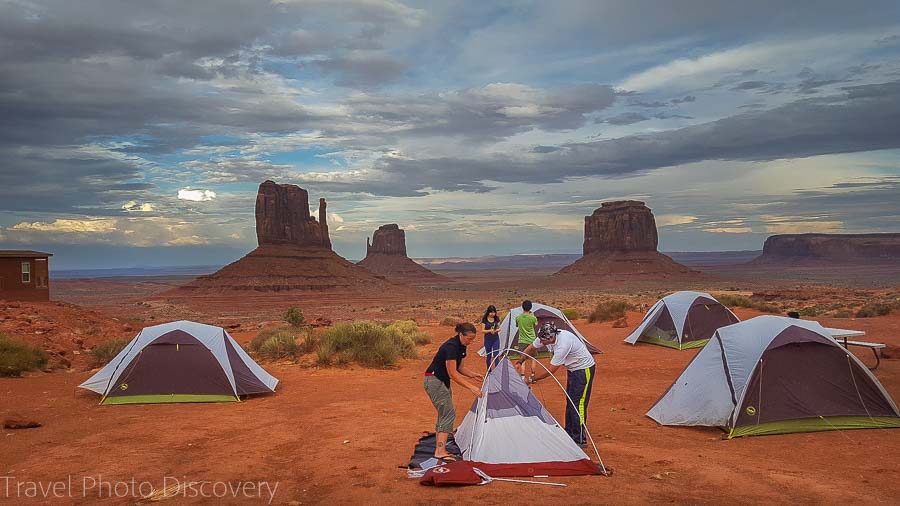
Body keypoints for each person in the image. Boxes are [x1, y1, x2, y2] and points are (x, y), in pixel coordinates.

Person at [517, 322, 596, 446]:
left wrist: (531, 379)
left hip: (583, 370)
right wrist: (521, 360)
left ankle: (580, 438)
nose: (541, 343)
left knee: (578, 403)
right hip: (572, 369)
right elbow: (531, 347)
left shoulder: (562, 345)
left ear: (551, 338)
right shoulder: (544, 336)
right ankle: (570, 432)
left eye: (543, 341)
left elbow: (550, 370)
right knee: (570, 400)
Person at [424, 322, 483, 462]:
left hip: (441, 382)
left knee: (445, 413)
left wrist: (473, 375)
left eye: (473, 339)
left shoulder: (462, 347)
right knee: (449, 413)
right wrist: (471, 387)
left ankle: (440, 446)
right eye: (469, 338)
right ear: (460, 334)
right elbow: (453, 373)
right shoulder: (451, 347)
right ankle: (440, 451)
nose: (471, 342)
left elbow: (460, 368)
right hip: (434, 381)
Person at [514, 300, 538, 377]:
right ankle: (533, 375)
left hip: (522, 341)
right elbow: (536, 324)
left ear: (522, 307)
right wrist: (533, 315)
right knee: (533, 358)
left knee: (522, 358)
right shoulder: (533, 318)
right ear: (530, 307)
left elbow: (517, 325)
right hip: (532, 340)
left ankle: (522, 375)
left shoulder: (518, 318)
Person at [481, 305, 502, 371]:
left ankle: (497, 371)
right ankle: (489, 371)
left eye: (494, 312)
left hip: (495, 339)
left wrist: (496, 330)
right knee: (489, 356)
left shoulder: (496, 318)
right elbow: (482, 330)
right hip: (488, 340)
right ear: (488, 312)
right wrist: (490, 331)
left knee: (496, 355)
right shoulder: (484, 319)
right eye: (491, 312)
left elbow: (499, 328)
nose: (492, 314)